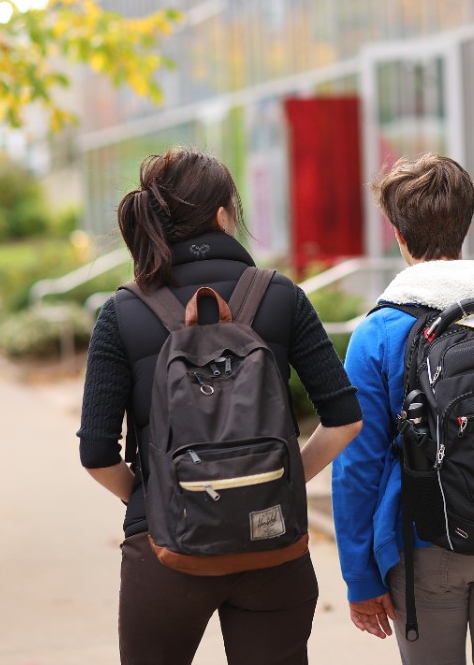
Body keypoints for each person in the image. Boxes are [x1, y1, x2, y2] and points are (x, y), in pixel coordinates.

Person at [78, 146, 363, 665]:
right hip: (271, 542)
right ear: (223, 216)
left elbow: (97, 454)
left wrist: (155, 498)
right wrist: (276, 478)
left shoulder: (121, 312)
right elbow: (345, 418)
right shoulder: (281, 296)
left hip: (165, 553)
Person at [332, 153, 474, 665]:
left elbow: (357, 464)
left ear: (397, 232)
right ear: (467, 222)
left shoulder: (379, 331)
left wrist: (360, 576)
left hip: (423, 545)